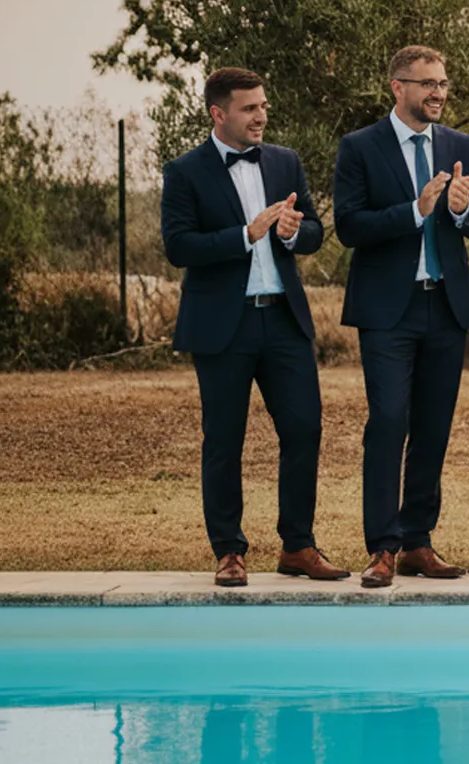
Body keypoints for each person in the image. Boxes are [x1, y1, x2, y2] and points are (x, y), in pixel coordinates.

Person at [160, 67, 345, 587]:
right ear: (219, 113)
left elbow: (314, 230)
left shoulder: (285, 162)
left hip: (284, 321)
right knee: (224, 438)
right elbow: (178, 246)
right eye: (249, 108)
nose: (261, 115)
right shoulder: (184, 170)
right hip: (223, 325)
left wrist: (291, 232)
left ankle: (299, 546)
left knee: (305, 428)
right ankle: (229, 551)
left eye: (263, 105)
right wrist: (245, 234)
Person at [332, 45, 469, 588]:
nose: (439, 93)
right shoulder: (359, 147)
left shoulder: (459, 145)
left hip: (444, 307)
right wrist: (414, 211)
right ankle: (382, 546)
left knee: (432, 429)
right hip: (387, 312)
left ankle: (419, 542)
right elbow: (349, 226)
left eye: (443, 83)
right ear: (397, 87)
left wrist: (461, 208)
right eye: (427, 84)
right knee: (389, 423)